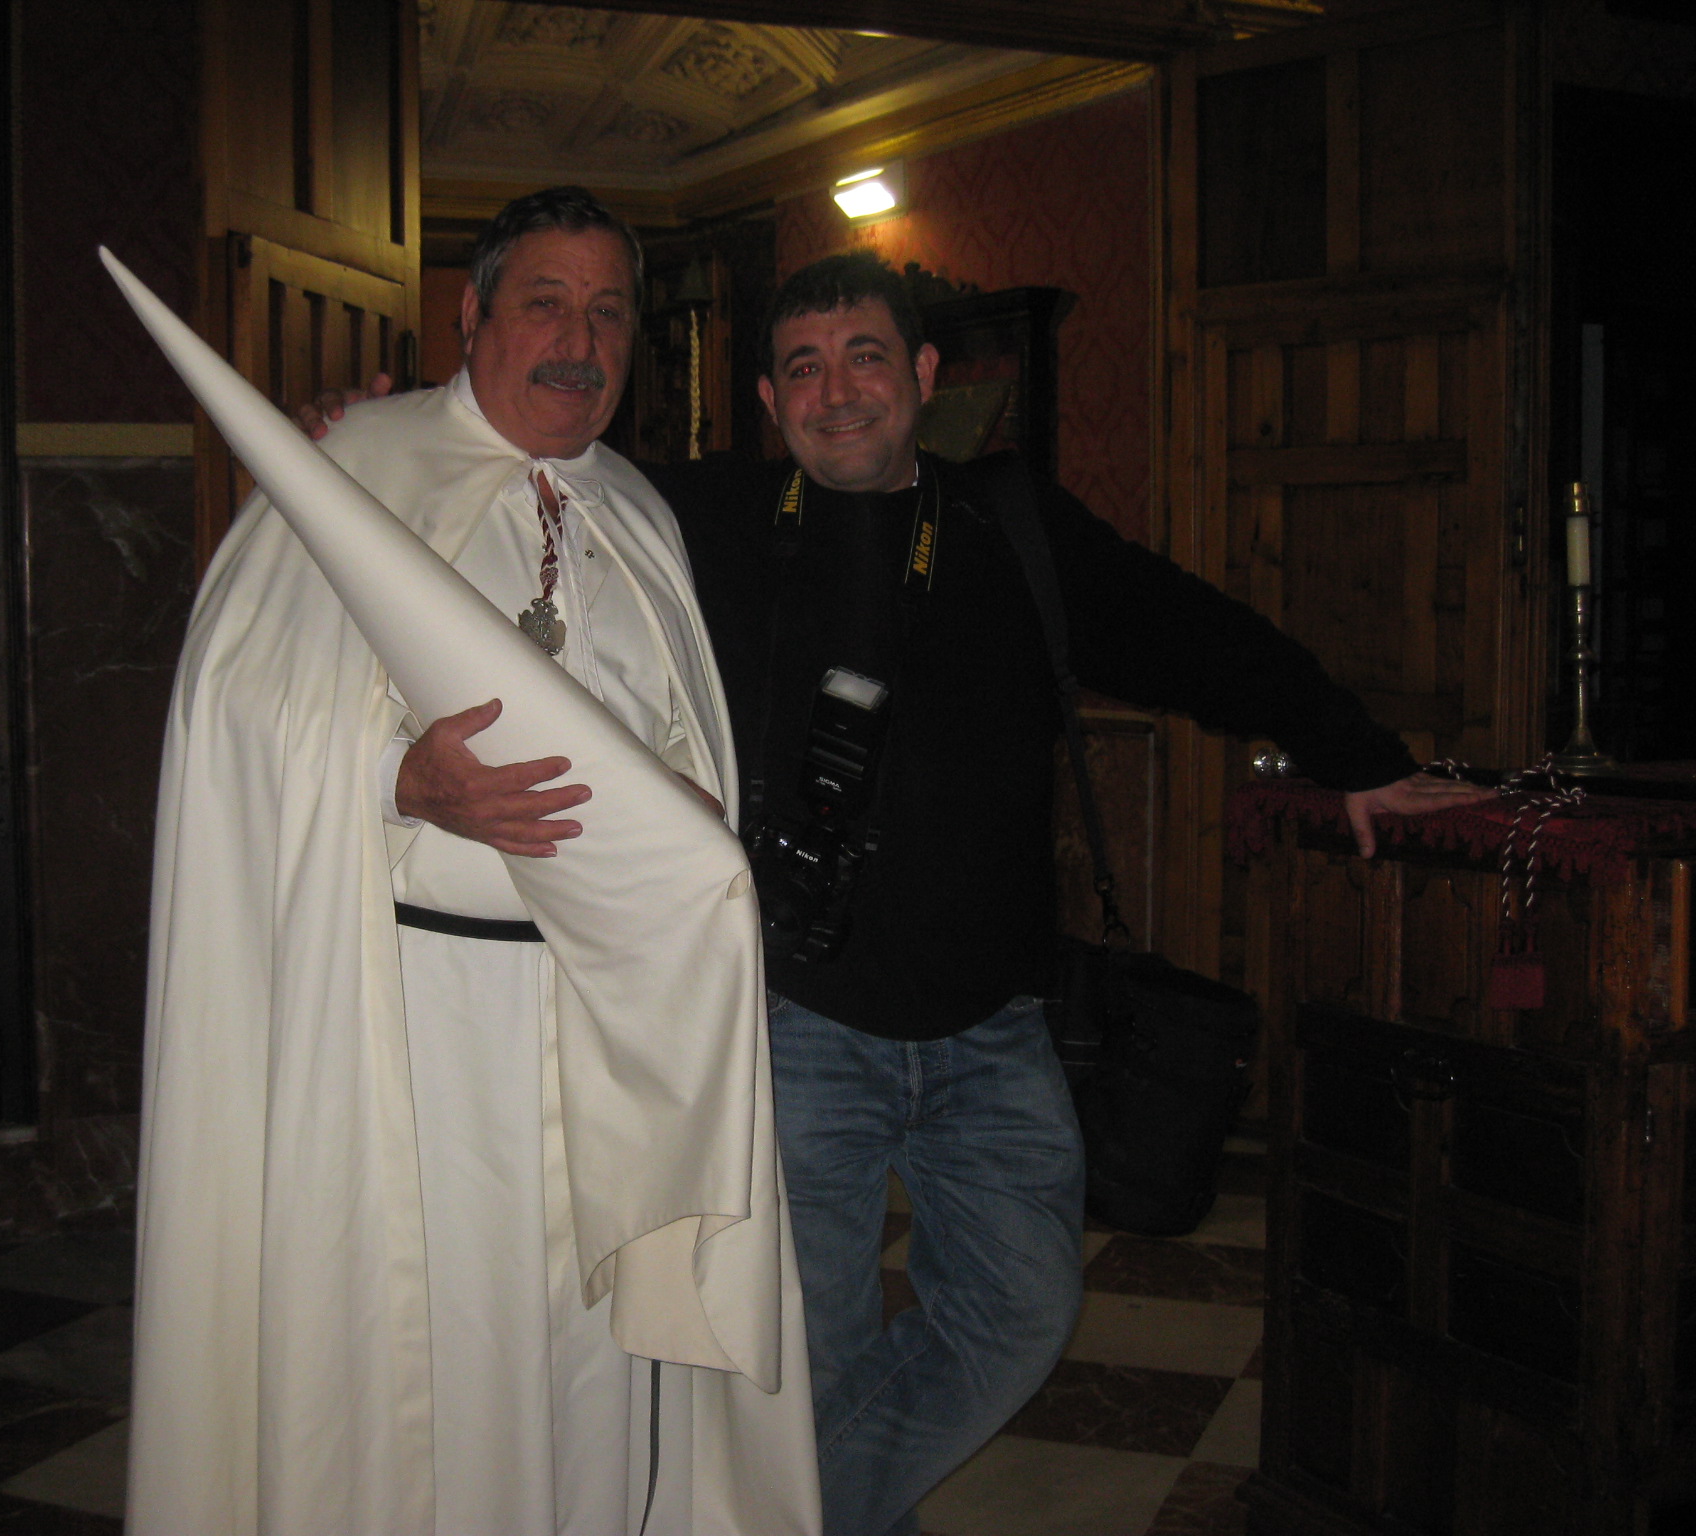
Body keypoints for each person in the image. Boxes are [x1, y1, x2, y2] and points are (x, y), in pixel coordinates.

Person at [303, 252, 1488, 1535]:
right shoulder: (697, 520)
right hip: (795, 1025)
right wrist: (385, 429)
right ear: (768, 399)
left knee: (1015, 1317)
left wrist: (1354, 753)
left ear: (922, 375)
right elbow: (515, 468)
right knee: (806, 1361)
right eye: (803, 369)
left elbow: (1193, 633)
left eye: (864, 357)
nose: (837, 392)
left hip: (992, 1028)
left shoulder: (1013, 526)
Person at [130, 187, 820, 1536]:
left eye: (608, 312)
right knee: (438, 1359)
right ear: (473, 314)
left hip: (619, 1021)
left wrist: (690, 808)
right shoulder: (357, 462)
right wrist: (400, 779)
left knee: (598, 1362)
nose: (580, 340)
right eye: (545, 303)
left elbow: (686, 730)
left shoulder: (639, 508)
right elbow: (235, 707)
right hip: (419, 1027)